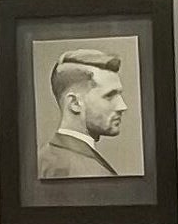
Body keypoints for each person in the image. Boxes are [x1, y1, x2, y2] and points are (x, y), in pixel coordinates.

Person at [38, 49, 127, 180]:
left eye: (119, 95)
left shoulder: (43, 157)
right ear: (75, 103)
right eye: (109, 96)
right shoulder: (88, 172)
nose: (122, 106)